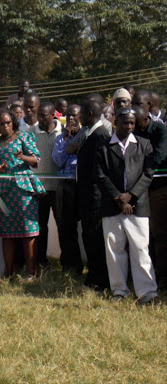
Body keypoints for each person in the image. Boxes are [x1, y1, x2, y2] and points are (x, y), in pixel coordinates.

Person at [95, 107, 158, 304]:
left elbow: (147, 174)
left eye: (132, 123)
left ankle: (147, 293)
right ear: (116, 123)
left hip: (138, 206)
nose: (129, 126)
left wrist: (130, 196)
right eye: (125, 123)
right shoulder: (104, 147)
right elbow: (100, 176)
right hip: (112, 206)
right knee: (114, 250)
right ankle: (119, 291)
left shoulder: (144, 145)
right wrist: (118, 198)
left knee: (140, 249)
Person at [0, 109, 45, 278]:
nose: (6, 126)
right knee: (7, 234)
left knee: (28, 231)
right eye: (2, 124)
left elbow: (36, 160)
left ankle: (30, 271)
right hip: (3, 191)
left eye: (8, 123)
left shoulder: (23, 137)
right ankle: (8, 272)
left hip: (23, 189)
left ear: (13, 122)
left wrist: (22, 157)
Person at [76, 100, 111, 291]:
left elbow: (99, 170)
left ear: (89, 114)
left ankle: (100, 280)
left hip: (95, 198)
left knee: (96, 239)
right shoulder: (90, 133)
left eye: (81, 113)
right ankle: (93, 276)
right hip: (87, 197)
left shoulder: (100, 135)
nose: (79, 117)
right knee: (89, 237)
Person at [132, 105, 167, 291]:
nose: (134, 129)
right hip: (140, 190)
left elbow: (159, 157)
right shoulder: (137, 130)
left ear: (146, 119)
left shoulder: (161, 131)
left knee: (159, 234)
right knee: (146, 236)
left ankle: (162, 278)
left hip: (158, 190)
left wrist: (138, 164)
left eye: (137, 124)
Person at [52, 104, 83, 274]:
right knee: (66, 227)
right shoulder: (60, 138)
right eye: (69, 115)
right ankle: (71, 264)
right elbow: (58, 160)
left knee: (86, 227)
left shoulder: (85, 135)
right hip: (66, 185)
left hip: (82, 185)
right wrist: (66, 140)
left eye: (74, 115)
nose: (71, 118)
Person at [30, 102, 62, 268]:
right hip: (39, 188)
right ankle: (42, 261)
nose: (40, 118)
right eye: (39, 115)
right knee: (41, 227)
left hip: (58, 188)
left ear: (53, 116)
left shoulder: (62, 132)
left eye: (43, 115)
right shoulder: (31, 132)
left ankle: (67, 261)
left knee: (62, 225)